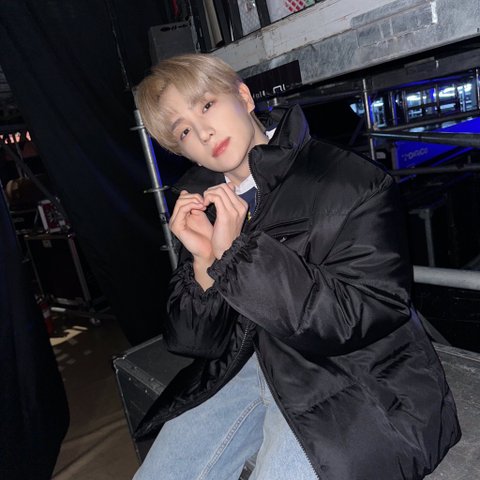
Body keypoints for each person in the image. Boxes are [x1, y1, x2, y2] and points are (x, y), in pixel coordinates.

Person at [132, 53, 460, 480]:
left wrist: (237, 256)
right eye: (185, 131)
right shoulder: (204, 202)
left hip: (357, 377)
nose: (204, 132)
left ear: (243, 96)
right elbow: (196, 343)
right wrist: (204, 261)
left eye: (207, 105)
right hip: (249, 365)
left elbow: (369, 312)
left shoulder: (350, 180)